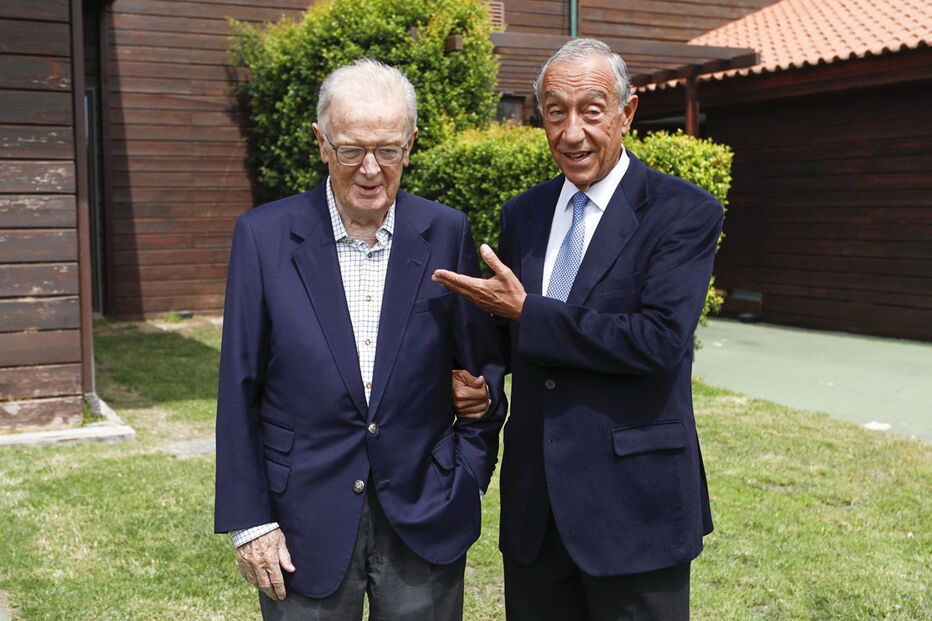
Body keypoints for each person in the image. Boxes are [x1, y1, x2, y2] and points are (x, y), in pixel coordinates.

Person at [435, 38, 723, 620]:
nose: (572, 133)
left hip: (634, 505)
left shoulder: (684, 212)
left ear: (627, 112)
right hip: (536, 506)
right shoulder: (525, 212)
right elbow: (518, 339)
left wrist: (528, 313)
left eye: (591, 111)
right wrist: (483, 378)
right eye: (555, 112)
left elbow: (657, 341)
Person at [214, 58, 506, 620]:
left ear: (410, 144)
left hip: (425, 513)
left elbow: (482, 374)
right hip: (301, 525)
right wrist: (251, 523)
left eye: (388, 150)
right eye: (351, 150)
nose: (371, 169)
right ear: (322, 143)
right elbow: (238, 388)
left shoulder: (447, 232)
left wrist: (468, 474)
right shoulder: (263, 236)